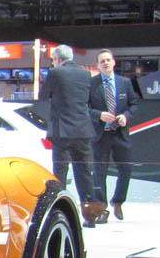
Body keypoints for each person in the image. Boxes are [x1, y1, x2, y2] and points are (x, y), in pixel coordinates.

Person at [43, 44, 105, 226]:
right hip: (83, 130)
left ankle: (60, 212)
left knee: (60, 173)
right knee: (84, 172)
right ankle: (90, 216)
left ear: (57, 59)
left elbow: (43, 95)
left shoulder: (56, 73)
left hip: (62, 131)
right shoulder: (85, 74)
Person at [89, 49, 140, 221]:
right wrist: (99, 115)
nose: (106, 63)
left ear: (114, 62)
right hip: (100, 135)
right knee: (99, 172)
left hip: (120, 134)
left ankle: (118, 201)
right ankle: (101, 208)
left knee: (126, 169)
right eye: (102, 61)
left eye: (108, 60)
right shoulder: (91, 84)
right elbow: (84, 108)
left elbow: (134, 105)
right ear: (98, 65)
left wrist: (126, 116)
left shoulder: (125, 82)